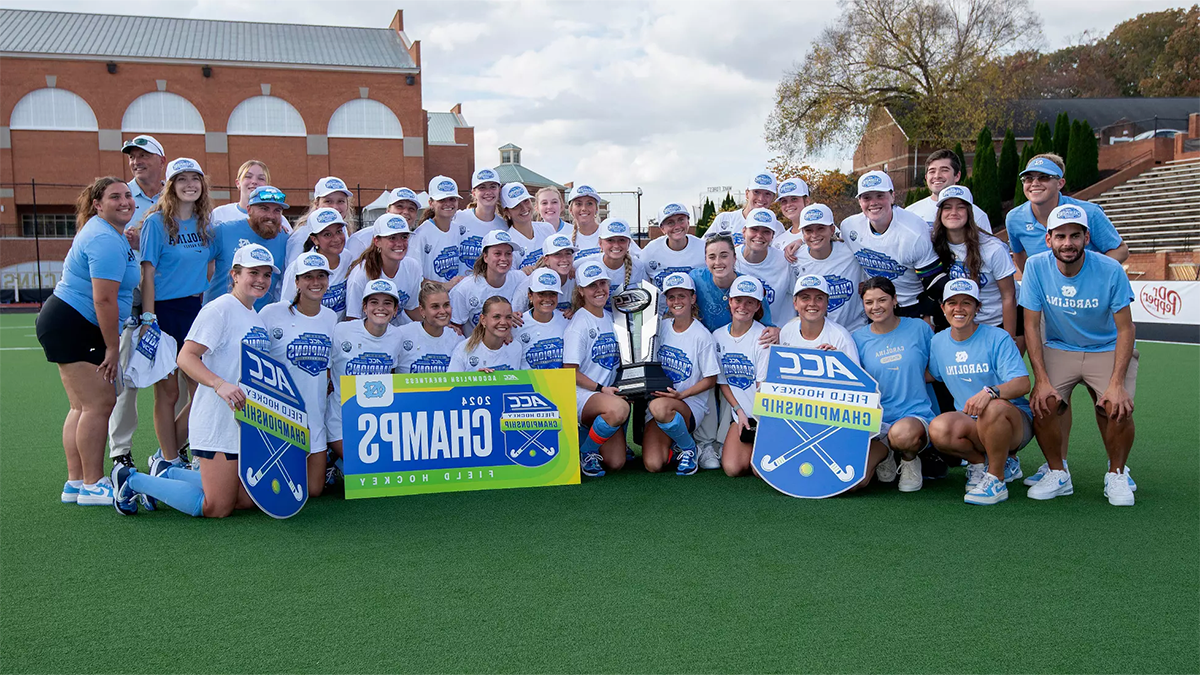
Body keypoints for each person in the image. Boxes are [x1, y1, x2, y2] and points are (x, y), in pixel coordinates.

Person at [110, 244, 277, 518]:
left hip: (242, 421)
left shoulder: (255, 317)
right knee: (217, 507)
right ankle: (131, 480)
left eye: (266, 274)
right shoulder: (220, 309)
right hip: (216, 420)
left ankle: (168, 472)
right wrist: (218, 383)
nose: (260, 280)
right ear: (235, 274)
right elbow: (186, 358)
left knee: (246, 501)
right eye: (253, 272)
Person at [1020, 204, 1138, 506]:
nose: (1067, 243)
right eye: (1060, 236)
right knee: (1043, 403)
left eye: (1075, 235)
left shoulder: (1110, 269)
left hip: (1107, 347)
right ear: (1049, 240)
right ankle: (1058, 473)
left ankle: (1117, 474)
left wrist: (1116, 382)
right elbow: (1031, 325)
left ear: (1087, 237)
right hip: (1061, 346)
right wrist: (1041, 379)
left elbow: (1126, 329)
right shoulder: (1035, 266)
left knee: (1116, 406)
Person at [37, 177, 140, 506]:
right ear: (97, 204)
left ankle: (76, 482)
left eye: (127, 195)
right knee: (98, 405)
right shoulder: (104, 238)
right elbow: (104, 301)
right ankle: (93, 484)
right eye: (115, 197)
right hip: (76, 323)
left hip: (66, 321)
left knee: (81, 407)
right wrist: (112, 347)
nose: (125, 201)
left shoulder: (108, 234)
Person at [927, 279, 1034, 505]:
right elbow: (931, 375)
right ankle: (978, 463)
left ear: (978, 308)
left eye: (967, 303)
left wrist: (990, 392)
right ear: (942, 307)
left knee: (992, 407)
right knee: (938, 428)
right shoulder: (938, 342)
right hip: (971, 423)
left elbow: (1023, 383)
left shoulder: (998, 337)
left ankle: (996, 479)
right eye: (952, 303)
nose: (959, 309)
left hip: (1013, 421)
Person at [138, 157, 212, 468]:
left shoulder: (205, 223)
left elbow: (209, 265)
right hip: (164, 313)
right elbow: (148, 273)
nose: (189, 185)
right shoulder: (155, 223)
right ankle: (168, 459)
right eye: (182, 179)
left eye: (195, 178)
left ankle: (183, 451)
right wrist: (149, 318)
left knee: (202, 392)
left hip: (194, 311)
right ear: (170, 186)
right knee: (167, 393)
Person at [107, 134, 166, 472]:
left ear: (161, 160)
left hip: (169, 298)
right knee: (126, 376)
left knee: (172, 379)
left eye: (144, 155)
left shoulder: (175, 194)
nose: (136, 161)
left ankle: (172, 448)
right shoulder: (122, 197)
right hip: (130, 301)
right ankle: (120, 450)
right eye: (133, 156)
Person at [260, 253, 338, 498]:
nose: (316, 282)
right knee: (278, 489)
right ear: (297, 281)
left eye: (321, 276)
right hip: (280, 414)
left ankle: (332, 469)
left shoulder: (330, 317)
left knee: (313, 491)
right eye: (308, 277)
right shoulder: (272, 313)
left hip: (314, 415)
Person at [851, 277, 937, 493]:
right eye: (869, 302)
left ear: (895, 300)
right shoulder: (856, 338)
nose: (876, 307)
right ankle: (886, 454)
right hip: (875, 422)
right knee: (856, 480)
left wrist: (908, 376)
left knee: (902, 435)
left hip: (913, 416)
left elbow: (935, 372)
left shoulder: (919, 328)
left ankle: (909, 460)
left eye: (882, 300)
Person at [837, 171, 948, 317]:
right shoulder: (849, 226)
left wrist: (929, 315)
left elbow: (935, 282)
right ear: (859, 201)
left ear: (892, 196)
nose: (873, 202)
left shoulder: (913, 233)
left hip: (910, 305)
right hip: (875, 306)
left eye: (880, 196)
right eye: (867, 197)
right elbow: (829, 235)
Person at [326, 279, 405, 484]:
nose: (380, 307)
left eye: (387, 303)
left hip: (375, 419)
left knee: (382, 474)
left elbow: (393, 373)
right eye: (374, 302)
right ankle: (334, 460)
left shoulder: (397, 336)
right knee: (365, 468)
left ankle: (338, 466)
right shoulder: (341, 331)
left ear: (396, 309)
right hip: (340, 416)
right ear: (364, 307)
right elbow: (326, 369)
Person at [640, 273, 719, 476]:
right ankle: (677, 446)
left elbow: (711, 379)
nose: (676, 302)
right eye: (672, 297)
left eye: (682, 296)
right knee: (653, 464)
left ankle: (689, 449)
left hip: (689, 405)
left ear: (692, 299)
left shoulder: (702, 336)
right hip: (660, 404)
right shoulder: (661, 328)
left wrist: (681, 395)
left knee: (659, 407)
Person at [1005, 154, 1128, 273]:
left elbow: (1120, 250)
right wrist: (1034, 281)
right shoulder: (1014, 218)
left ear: (1060, 183)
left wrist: (1091, 276)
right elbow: (1019, 253)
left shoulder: (1089, 212)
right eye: (1028, 178)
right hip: (1049, 293)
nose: (1035, 183)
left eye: (1044, 177)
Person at [564, 261, 627, 477]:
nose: (599, 289)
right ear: (581, 291)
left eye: (603, 283)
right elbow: (569, 371)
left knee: (615, 462)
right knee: (619, 410)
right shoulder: (579, 323)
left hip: (604, 395)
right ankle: (586, 451)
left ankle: (587, 434)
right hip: (582, 395)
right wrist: (601, 389)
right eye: (592, 285)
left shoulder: (611, 319)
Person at [930, 186, 1017, 336]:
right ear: (940, 213)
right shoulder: (933, 244)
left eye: (960, 207)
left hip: (993, 324)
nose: (953, 213)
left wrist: (1009, 338)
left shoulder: (993, 249)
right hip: (956, 326)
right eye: (947, 207)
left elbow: (1008, 296)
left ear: (970, 212)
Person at [712, 276, 771, 477]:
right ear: (729, 301)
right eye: (738, 300)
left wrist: (762, 424)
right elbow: (723, 382)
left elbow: (762, 385)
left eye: (750, 302)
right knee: (732, 469)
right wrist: (739, 412)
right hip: (742, 415)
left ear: (757, 306)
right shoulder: (718, 336)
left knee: (759, 471)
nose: (742, 306)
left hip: (765, 417)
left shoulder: (763, 336)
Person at [205, 186, 290, 310]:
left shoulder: (285, 240)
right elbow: (194, 263)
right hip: (221, 315)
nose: (271, 216)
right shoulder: (223, 231)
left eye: (277, 210)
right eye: (264, 209)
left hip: (258, 321)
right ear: (249, 210)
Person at [786, 203, 867, 331]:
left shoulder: (851, 251)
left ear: (832, 230)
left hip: (854, 331)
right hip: (814, 335)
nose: (814, 234)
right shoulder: (794, 258)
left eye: (820, 228)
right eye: (808, 230)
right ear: (802, 233)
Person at [345, 213, 423, 326]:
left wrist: (435, 325)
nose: (399, 243)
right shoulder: (361, 275)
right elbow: (352, 319)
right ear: (377, 242)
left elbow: (411, 309)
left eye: (404, 237)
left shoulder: (412, 267)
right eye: (392, 238)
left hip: (395, 333)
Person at [690, 234, 776, 334]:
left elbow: (767, 325)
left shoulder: (750, 286)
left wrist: (774, 331)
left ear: (734, 258)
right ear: (706, 260)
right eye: (712, 257)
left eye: (724, 256)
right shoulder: (696, 278)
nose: (718, 262)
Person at [449, 230, 526, 334]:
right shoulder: (464, 289)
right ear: (485, 257)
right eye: (497, 253)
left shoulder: (520, 279)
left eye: (508, 254)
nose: (503, 259)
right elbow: (455, 328)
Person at [280, 208, 350, 320]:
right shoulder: (298, 266)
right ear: (314, 239)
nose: (336, 239)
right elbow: (286, 307)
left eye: (339, 231)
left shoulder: (349, 259)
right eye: (327, 234)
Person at [736, 208, 797, 324]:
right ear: (744, 231)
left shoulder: (785, 261)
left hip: (775, 335)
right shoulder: (731, 259)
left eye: (766, 231)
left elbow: (800, 298)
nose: (759, 235)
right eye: (754, 229)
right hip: (740, 333)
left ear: (773, 236)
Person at [905, 149, 992, 232]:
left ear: (957, 176)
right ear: (926, 177)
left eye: (944, 170)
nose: (937, 176)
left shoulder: (977, 215)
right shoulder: (911, 213)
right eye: (932, 171)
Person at [780, 274, 860, 362]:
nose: (812, 303)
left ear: (827, 303)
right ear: (795, 303)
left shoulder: (842, 338)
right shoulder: (787, 331)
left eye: (819, 298)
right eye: (805, 298)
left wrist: (838, 361)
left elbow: (855, 375)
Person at [285, 176, 356, 267]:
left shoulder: (345, 230)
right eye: (328, 201)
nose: (335, 207)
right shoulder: (302, 235)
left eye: (340, 201)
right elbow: (292, 275)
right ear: (316, 204)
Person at [394, 281, 463, 374]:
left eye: (446, 305)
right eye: (435, 307)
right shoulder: (402, 334)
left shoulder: (457, 338)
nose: (442, 311)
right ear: (422, 311)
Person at [411, 176, 466, 286]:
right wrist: (445, 286)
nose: (448, 203)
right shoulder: (421, 234)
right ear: (431, 203)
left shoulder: (457, 229)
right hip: (431, 299)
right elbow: (414, 278)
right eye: (442, 200)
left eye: (452, 199)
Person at [210, 160, 291, 234]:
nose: (254, 182)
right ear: (238, 183)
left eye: (261, 178)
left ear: (267, 185)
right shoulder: (219, 214)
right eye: (248, 176)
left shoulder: (279, 220)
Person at [448, 296, 524, 372]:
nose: (503, 322)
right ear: (483, 320)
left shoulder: (516, 348)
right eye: (496, 317)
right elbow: (451, 382)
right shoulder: (464, 349)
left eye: (508, 317)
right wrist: (477, 379)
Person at [346, 187, 421, 262]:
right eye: (399, 206)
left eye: (411, 209)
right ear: (388, 210)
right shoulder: (361, 239)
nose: (406, 212)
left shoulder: (418, 241)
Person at [512, 271, 569, 369]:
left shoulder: (567, 321)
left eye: (552, 294)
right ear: (530, 296)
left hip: (561, 383)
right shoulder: (517, 323)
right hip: (529, 383)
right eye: (541, 294)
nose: (547, 299)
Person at [641, 202, 704, 289]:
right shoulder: (649, 251)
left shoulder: (704, 248)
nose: (677, 226)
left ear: (688, 222)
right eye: (670, 223)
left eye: (681, 220)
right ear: (662, 229)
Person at [511, 233, 577, 314]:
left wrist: (574, 313)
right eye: (557, 254)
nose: (564, 259)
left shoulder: (576, 279)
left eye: (568, 254)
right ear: (546, 260)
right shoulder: (530, 283)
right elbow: (515, 314)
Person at [707, 171, 778, 245]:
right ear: (747, 194)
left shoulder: (777, 227)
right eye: (756, 192)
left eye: (767, 194)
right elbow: (703, 248)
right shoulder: (725, 218)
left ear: (773, 198)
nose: (761, 198)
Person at [456, 167, 506, 271]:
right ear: (473, 193)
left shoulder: (504, 227)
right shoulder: (458, 218)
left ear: (499, 190)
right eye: (482, 188)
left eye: (493, 187)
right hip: (460, 286)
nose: (488, 192)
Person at [590, 218, 647, 303]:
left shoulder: (638, 266)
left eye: (622, 240)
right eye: (610, 240)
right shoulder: (588, 264)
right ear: (600, 243)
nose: (616, 245)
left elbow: (645, 298)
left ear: (629, 243)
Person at [500, 182, 555, 269]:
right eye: (516, 206)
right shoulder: (507, 242)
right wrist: (523, 273)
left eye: (526, 201)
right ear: (507, 212)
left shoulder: (547, 229)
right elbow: (508, 278)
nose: (524, 208)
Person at [772, 177, 812, 253]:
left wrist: (802, 241)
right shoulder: (778, 242)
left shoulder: (824, 229)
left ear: (807, 201)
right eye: (784, 201)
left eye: (794, 199)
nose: (788, 205)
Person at [566, 183, 605, 259]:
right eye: (578, 204)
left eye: (589, 203)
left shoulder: (609, 234)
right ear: (570, 210)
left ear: (596, 209)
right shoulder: (567, 241)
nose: (584, 208)